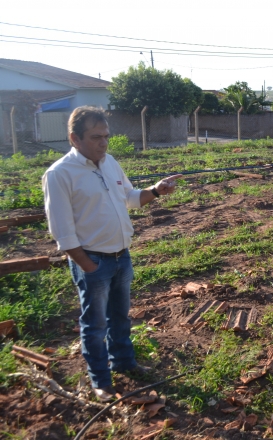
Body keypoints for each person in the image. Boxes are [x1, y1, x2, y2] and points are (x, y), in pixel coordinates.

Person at [42, 106, 182, 402]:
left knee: (120, 317)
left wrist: (156, 190)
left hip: (121, 256)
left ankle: (124, 363)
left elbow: (129, 198)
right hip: (93, 261)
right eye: (96, 137)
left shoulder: (110, 163)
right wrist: (87, 266)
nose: (103, 143)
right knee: (95, 326)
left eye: (106, 136)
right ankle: (101, 382)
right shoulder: (60, 174)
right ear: (75, 138)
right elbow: (62, 232)